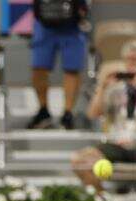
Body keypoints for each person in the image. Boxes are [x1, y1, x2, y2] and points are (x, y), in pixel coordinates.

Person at [72, 40, 136, 193]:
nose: (133, 63)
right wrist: (102, 86)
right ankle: (104, 200)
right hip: (118, 144)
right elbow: (93, 114)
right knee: (79, 161)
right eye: (129, 59)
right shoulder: (114, 87)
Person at [27, 0, 89, 130]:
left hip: (72, 24)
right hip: (44, 23)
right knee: (38, 67)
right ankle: (43, 111)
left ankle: (67, 113)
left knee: (72, 69)